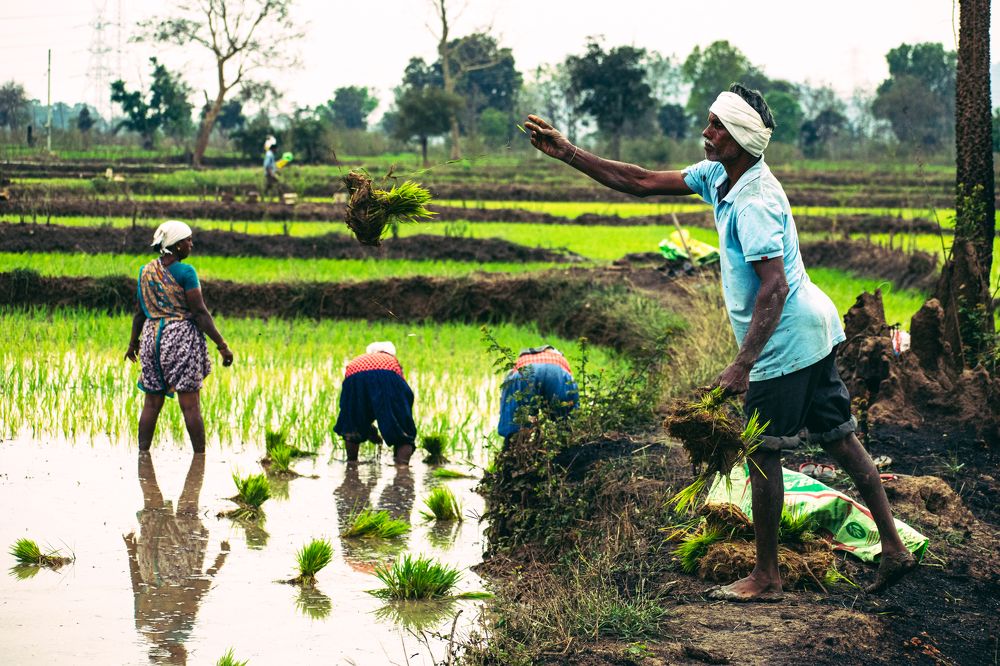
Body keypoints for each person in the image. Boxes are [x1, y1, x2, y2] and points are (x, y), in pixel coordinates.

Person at [524, 84, 916, 600]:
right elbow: (640, 181)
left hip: (788, 338)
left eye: (716, 127)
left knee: (762, 454)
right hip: (813, 328)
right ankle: (893, 548)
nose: (706, 134)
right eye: (709, 123)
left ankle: (768, 576)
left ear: (742, 137)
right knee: (840, 439)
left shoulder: (753, 201)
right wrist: (567, 152)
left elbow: (773, 288)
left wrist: (742, 364)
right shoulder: (720, 177)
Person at [125, 220, 234, 453]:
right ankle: (200, 459)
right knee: (191, 405)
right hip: (179, 339)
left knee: (152, 403)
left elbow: (139, 313)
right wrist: (222, 345)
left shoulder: (145, 271)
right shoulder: (186, 272)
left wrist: (133, 344)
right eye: (187, 241)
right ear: (175, 245)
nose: (191, 245)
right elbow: (199, 313)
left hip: (151, 339)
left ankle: (142, 455)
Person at [124, 452, 229, 663]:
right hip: (151, 560)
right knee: (151, 497)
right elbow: (137, 585)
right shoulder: (145, 628)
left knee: (188, 504)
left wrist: (221, 557)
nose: (186, 657)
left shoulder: (180, 629)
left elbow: (199, 588)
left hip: (175, 563)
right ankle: (144, 449)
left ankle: (198, 452)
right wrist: (130, 551)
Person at [334, 341, 417, 465]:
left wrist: (366, 426)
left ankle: (351, 464)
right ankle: (402, 471)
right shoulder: (392, 361)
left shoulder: (359, 359)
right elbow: (400, 398)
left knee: (353, 422)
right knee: (402, 428)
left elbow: (362, 405)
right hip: (387, 374)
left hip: (353, 376)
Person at [498, 345, 579, 441]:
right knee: (566, 422)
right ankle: (569, 446)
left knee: (516, 424)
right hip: (558, 370)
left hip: (525, 370)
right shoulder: (559, 358)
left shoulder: (521, 361)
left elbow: (508, 403)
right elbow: (573, 400)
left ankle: (512, 447)